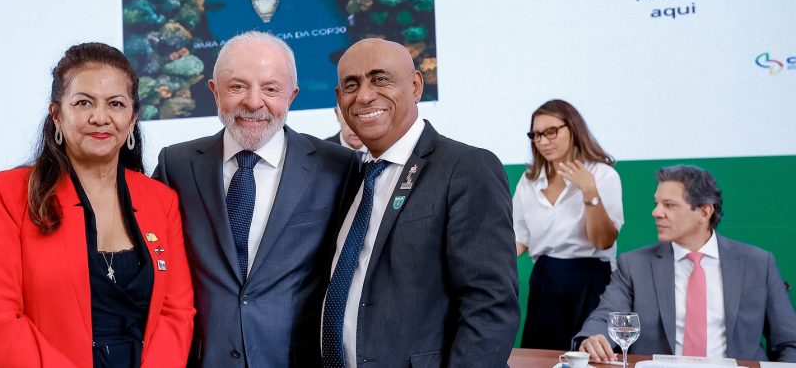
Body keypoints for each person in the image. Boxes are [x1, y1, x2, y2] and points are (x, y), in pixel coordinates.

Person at [0, 42, 194, 368]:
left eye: (116, 104)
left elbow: (177, 311)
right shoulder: (8, 193)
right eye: (84, 102)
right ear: (57, 114)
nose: (100, 117)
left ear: (132, 118)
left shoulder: (161, 200)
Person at [154, 31, 360, 368]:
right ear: (214, 91)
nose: (253, 101)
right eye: (237, 87)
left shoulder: (338, 167)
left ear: (292, 95)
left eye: (270, 88)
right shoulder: (175, 165)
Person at [322, 38, 519, 368]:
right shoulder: (348, 177)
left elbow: (490, 307)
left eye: (380, 78)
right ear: (340, 100)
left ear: (415, 86)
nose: (365, 95)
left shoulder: (466, 168)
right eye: (351, 85)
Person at [575, 165, 796, 362]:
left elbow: (789, 343)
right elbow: (606, 315)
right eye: (656, 203)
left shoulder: (758, 263)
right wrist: (594, 338)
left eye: (669, 205)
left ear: (704, 211)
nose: (656, 212)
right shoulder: (634, 265)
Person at [513, 99, 624, 350]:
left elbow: (603, 241)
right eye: (536, 135)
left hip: (592, 279)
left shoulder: (603, 175)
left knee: (590, 356)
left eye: (551, 131)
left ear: (573, 128)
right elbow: (519, 238)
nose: (542, 140)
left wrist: (589, 191)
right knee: (541, 357)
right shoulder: (528, 181)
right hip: (545, 280)